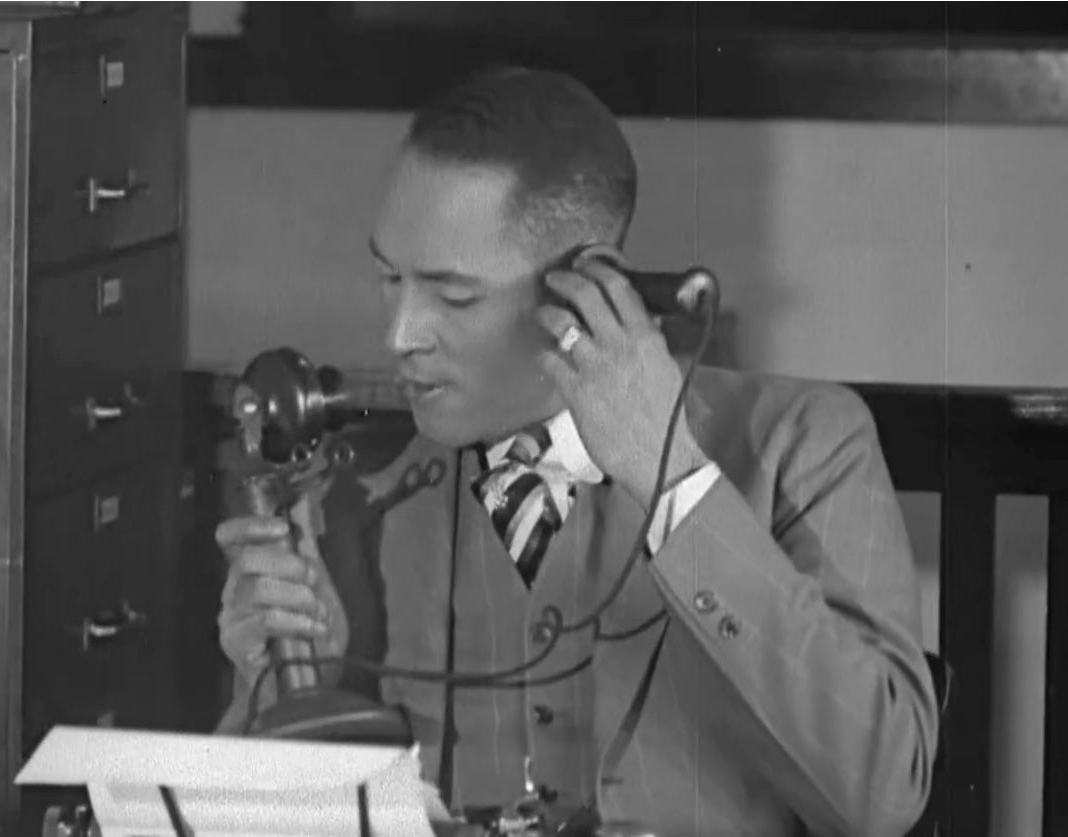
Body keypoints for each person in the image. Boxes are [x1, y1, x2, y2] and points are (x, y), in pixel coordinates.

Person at [216, 66, 939, 836]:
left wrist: (674, 483)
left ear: (583, 286)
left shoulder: (807, 444)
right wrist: (294, 681)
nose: (400, 336)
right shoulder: (359, 492)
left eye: (454, 297)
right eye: (389, 279)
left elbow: (882, 794)